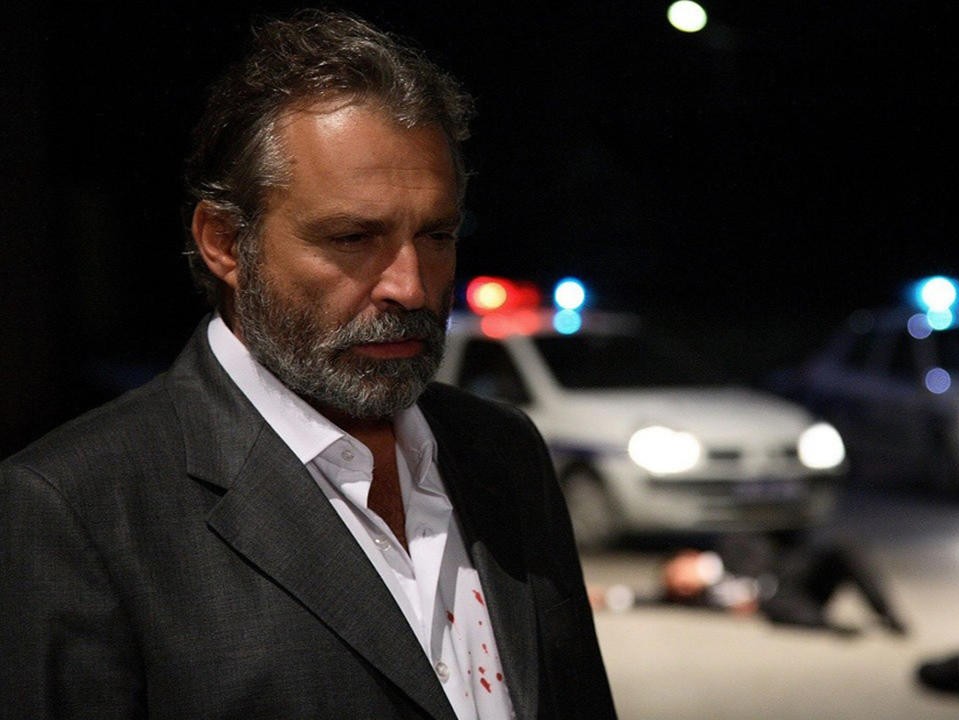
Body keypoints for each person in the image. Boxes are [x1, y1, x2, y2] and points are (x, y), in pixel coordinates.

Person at [0, 9, 615, 719]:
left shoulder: (504, 454)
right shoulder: (76, 508)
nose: (411, 286)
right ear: (225, 243)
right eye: (353, 238)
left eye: (437, 234)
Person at [595, 530, 909, 637]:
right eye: (674, 585)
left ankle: (886, 613)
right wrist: (608, 597)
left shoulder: (730, 547)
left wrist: (742, 585)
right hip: (782, 604)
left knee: (845, 549)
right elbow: (649, 600)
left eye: (677, 574)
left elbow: (766, 552)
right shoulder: (695, 598)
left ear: (689, 556)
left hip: (799, 577)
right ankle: (833, 627)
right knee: (775, 610)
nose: (679, 584)